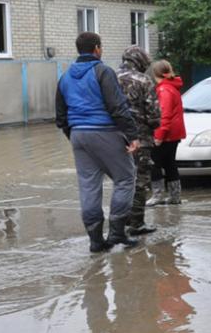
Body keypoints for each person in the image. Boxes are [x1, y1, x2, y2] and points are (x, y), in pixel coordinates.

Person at [55, 32, 141, 252]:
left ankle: (95, 240)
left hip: (78, 135)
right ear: (96, 48)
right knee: (125, 178)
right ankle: (117, 233)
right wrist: (132, 135)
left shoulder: (64, 77)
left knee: (88, 186)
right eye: (101, 47)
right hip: (104, 131)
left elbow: (60, 116)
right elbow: (117, 107)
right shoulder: (103, 71)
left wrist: (73, 135)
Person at [116, 46, 161, 235]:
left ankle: (120, 220)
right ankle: (136, 223)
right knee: (140, 180)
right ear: (140, 61)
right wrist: (153, 125)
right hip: (141, 138)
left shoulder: (110, 77)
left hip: (114, 138)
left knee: (122, 180)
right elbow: (153, 114)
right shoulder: (144, 80)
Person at [148, 60, 186, 206]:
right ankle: (175, 196)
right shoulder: (172, 87)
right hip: (174, 134)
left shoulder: (164, 90)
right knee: (170, 163)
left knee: (155, 163)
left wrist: (159, 136)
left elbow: (164, 115)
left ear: (155, 74)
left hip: (166, 135)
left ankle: (157, 195)